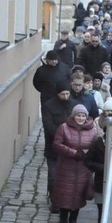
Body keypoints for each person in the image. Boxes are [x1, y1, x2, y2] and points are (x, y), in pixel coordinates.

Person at [52, 104, 98, 223]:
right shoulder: (64, 128)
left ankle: (73, 218)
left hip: (83, 168)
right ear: (73, 116)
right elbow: (57, 144)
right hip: (66, 166)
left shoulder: (93, 130)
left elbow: (95, 147)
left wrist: (85, 154)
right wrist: (73, 153)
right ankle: (63, 217)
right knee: (64, 193)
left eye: (83, 115)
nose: (81, 118)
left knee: (79, 193)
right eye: (78, 115)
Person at [41, 81, 73, 212]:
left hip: (70, 147)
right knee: (53, 176)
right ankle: (54, 201)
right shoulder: (49, 106)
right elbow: (48, 126)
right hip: (53, 147)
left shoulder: (74, 105)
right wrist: (62, 136)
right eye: (63, 94)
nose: (65, 97)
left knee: (68, 177)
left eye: (67, 94)